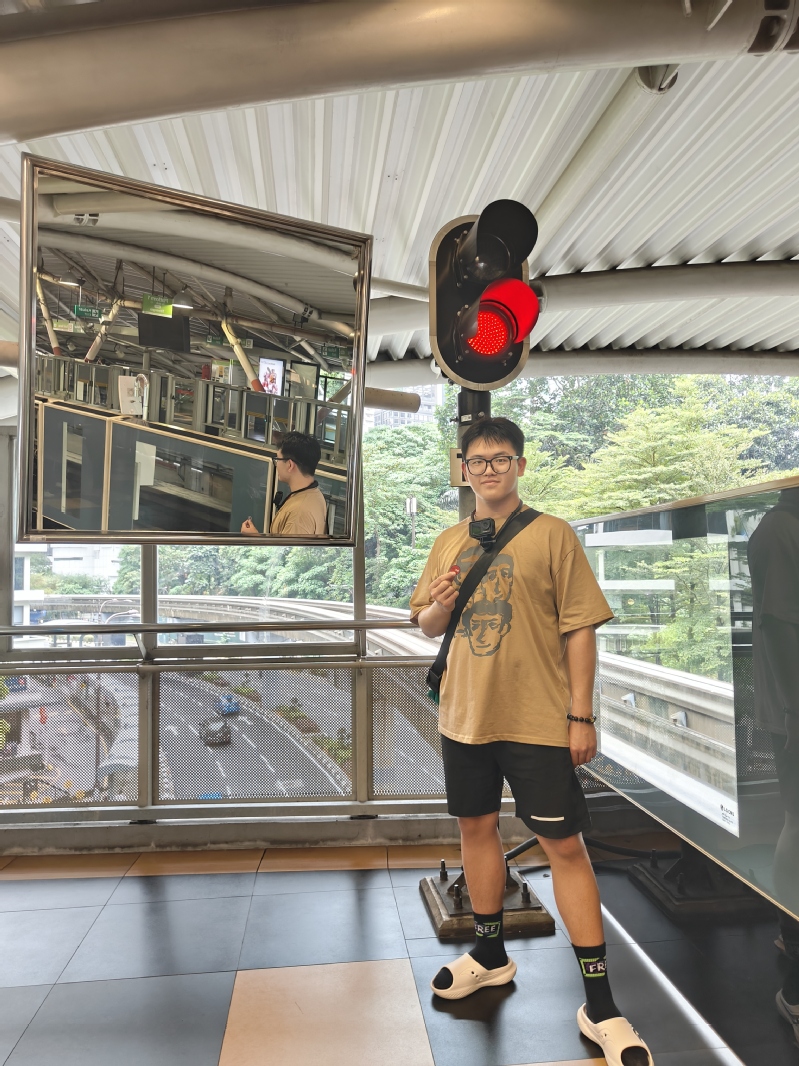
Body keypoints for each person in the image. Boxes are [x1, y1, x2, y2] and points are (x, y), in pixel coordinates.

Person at [409, 416, 652, 1066]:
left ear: (519, 465)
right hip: (463, 717)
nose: (488, 469)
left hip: (539, 720)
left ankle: (600, 1003)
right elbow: (427, 625)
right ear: (462, 468)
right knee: (475, 829)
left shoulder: (553, 535)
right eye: (477, 460)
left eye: (500, 459)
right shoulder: (447, 541)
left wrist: (581, 716)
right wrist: (440, 602)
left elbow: (579, 629)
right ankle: (490, 954)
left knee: (564, 847)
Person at [747, 486, 799, 1045]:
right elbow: (779, 624)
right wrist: (794, 709)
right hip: (795, 713)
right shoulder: (782, 528)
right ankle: (796, 964)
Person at [241, 431, 328, 537]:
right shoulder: (316, 495)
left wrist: (254, 537)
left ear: (290, 465)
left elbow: (290, 548)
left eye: (278, 459)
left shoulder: (298, 515)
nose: (276, 464)